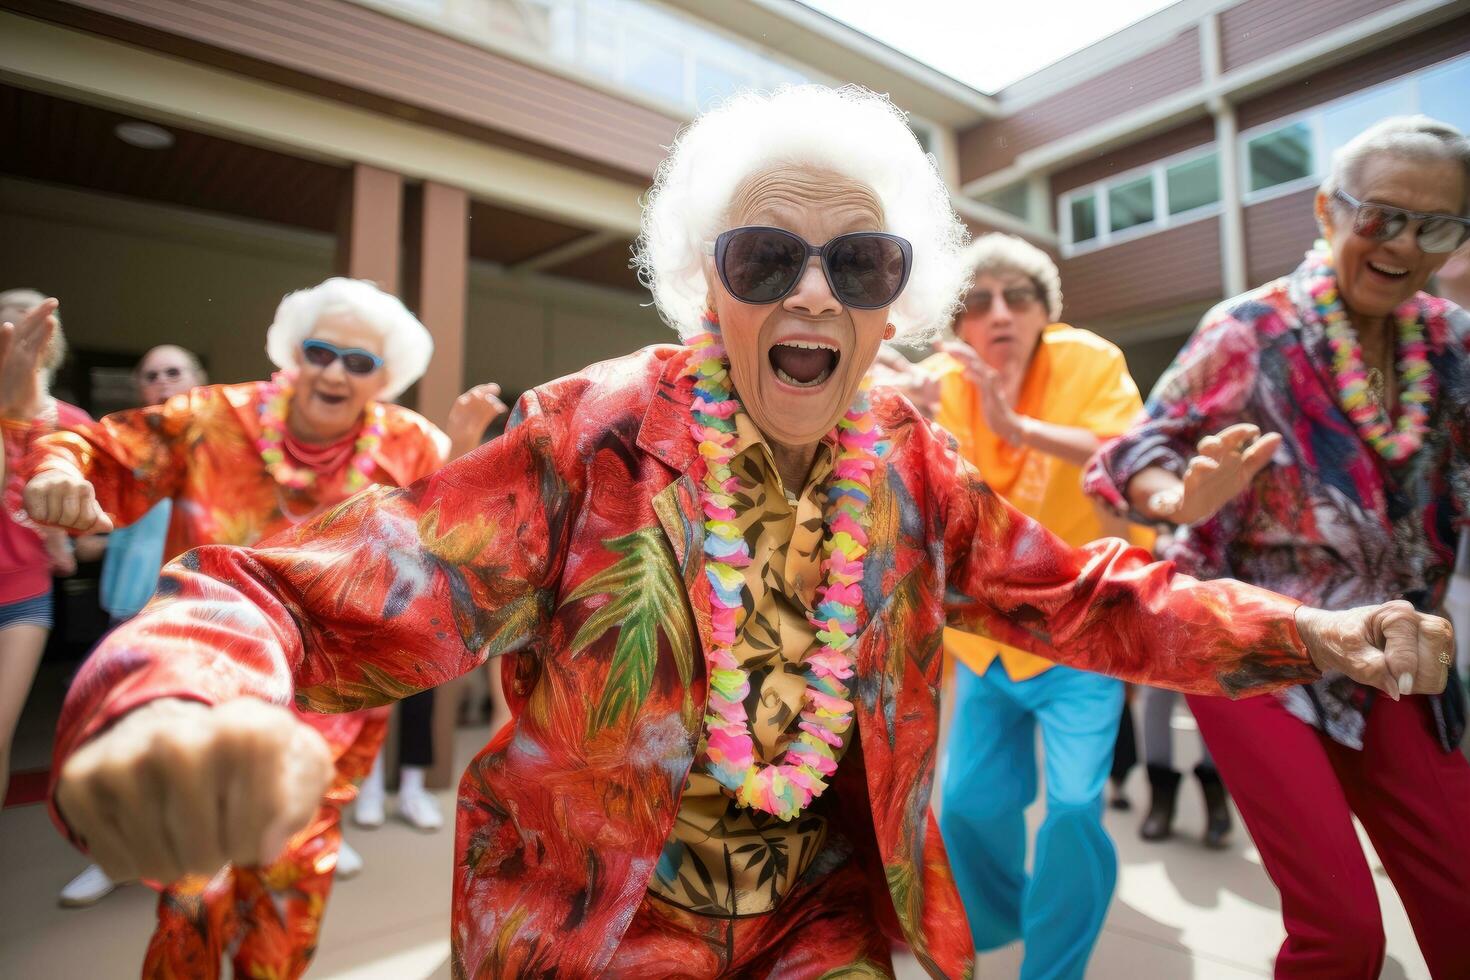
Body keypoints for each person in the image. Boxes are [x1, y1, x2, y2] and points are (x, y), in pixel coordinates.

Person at [15, 87, 1453, 979]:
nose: (813, 297)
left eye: (860, 263)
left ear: (901, 301)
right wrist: (174, 694)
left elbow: (1086, 597)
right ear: (708, 285)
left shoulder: (908, 451)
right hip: (588, 932)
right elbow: (321, 592)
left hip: (823, 924)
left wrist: (1309, 633)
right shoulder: (595, 429)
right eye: (767, 259)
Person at [2, 277, 504, 978]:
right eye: (321, 352)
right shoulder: (212, 418)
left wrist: (461, 458)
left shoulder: (409, 442)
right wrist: (44, 446)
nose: (334, 372)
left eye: (357, 363)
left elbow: (447, 540)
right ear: (294, 354)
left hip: (330, 712)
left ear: (384, 378)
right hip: (208, 687)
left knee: (288, 905)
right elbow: (98, 452)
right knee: (192, 892)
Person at [1087, 115, 1470, 978]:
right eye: (1381, 215)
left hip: (1395, 651)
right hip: (1250, 645)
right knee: (1342, 935)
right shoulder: (1250, 331)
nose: (1404, 243)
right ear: (1327, 211)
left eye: (1437, 225)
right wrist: (1184, 497)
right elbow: (1130, 458)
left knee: (1463, 911)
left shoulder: (1452, 344)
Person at [881, 233, 1155, 979]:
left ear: (1045, 311)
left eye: (1018, 297)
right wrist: (910, 417)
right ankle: (1002, 919)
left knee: (1071, 810)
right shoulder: (941, 378)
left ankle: (1053, 965)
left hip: (1082, 629)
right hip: (985, 638)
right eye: (977, 302)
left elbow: (1125, 453)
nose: (998, 313)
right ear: (958, 323)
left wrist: (1016, 428)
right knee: (967, 806)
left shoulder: (1089, 360)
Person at [57, 344, 207, 908]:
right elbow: (98, 539)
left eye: (175, 371)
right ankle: (112, 859)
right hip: (127, 617)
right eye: (151, 375)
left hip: (197, 619)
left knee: (191, 745)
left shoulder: (224, 452)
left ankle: (190, 862)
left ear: (199, 381)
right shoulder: (123, 454)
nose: (163, 381)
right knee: (117, 743)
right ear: (139, 389)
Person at [0, 289, 90, 809]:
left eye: (29, 329)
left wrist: (66, 536)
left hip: (24, 595)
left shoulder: (75, 424)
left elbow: (88, 528)